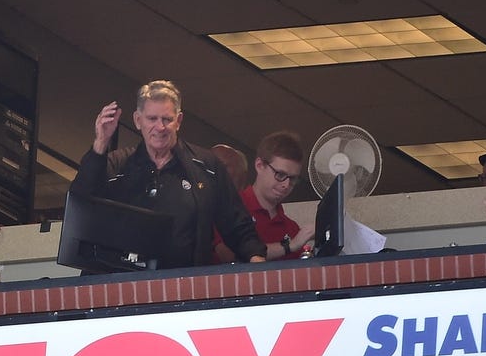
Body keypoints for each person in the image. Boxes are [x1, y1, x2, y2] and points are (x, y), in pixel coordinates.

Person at [70, 79, 266, 269]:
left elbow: (236, 224)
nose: (160, 127)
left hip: (187, 286)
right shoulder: (117, 164)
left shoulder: (206, 166)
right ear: (138, 121)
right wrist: (101, 142)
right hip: (125, 286)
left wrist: (256, 258)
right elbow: (81, 202)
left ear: (179, 121)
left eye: (167, 119)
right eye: (152, 119)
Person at [215, 131, 316, 263]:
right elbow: (226, 255)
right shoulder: (229, 206)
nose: (286, 185)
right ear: (259, 166)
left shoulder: (292, 229)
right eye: (280, 174)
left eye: (293, 179)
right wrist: (289, 246)